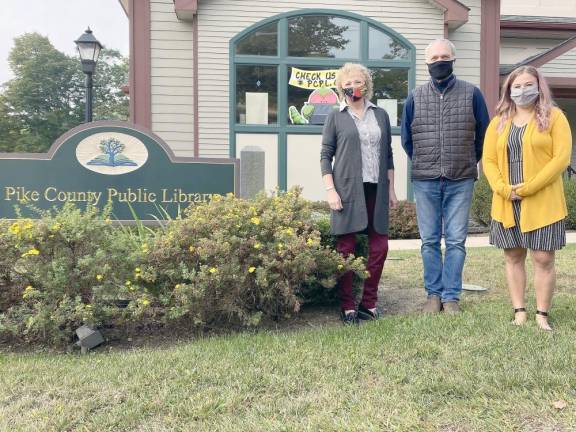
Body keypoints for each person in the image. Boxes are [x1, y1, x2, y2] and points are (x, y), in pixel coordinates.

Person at [401, 39, 490, 314]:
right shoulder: (415, 96)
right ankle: (433, 295)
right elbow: (407, 139)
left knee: (455, 241)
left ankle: (451, 296)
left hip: (460, 178)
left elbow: (484, 135)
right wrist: (427, 161)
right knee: (429, 240)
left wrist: (465, 160)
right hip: (425, 179)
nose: (439, 61)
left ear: (453, 59)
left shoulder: (472, 93)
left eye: (444, 56)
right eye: (434, 57)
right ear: (427, 63)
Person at [482, 65, 572, 331]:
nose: (523, 90)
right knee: (513, 256)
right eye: (517, 86)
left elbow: (561, 158)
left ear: (539, 86)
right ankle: (519, 310)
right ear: (509, 90)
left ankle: (542, 314)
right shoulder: (499, 121)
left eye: (528, 85)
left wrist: (529, 187)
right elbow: (488, 159)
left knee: (543, 258)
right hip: (507, 201)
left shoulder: (555, 117)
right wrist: (501, 187)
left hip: (543, 201)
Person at [320, 63, 398, 324]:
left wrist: (392, 189)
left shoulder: (381, 115)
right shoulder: (336, 116)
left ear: (366, 85)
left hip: (377, 187)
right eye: (348, 82)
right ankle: (347, 305)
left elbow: (387, 154)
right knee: (346, 248)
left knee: (380, 247)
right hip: (346, 189)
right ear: (341, 86)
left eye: (358, 81)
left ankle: (369, 303)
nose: (353, 86)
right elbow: (325, 155)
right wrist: (331, 190)